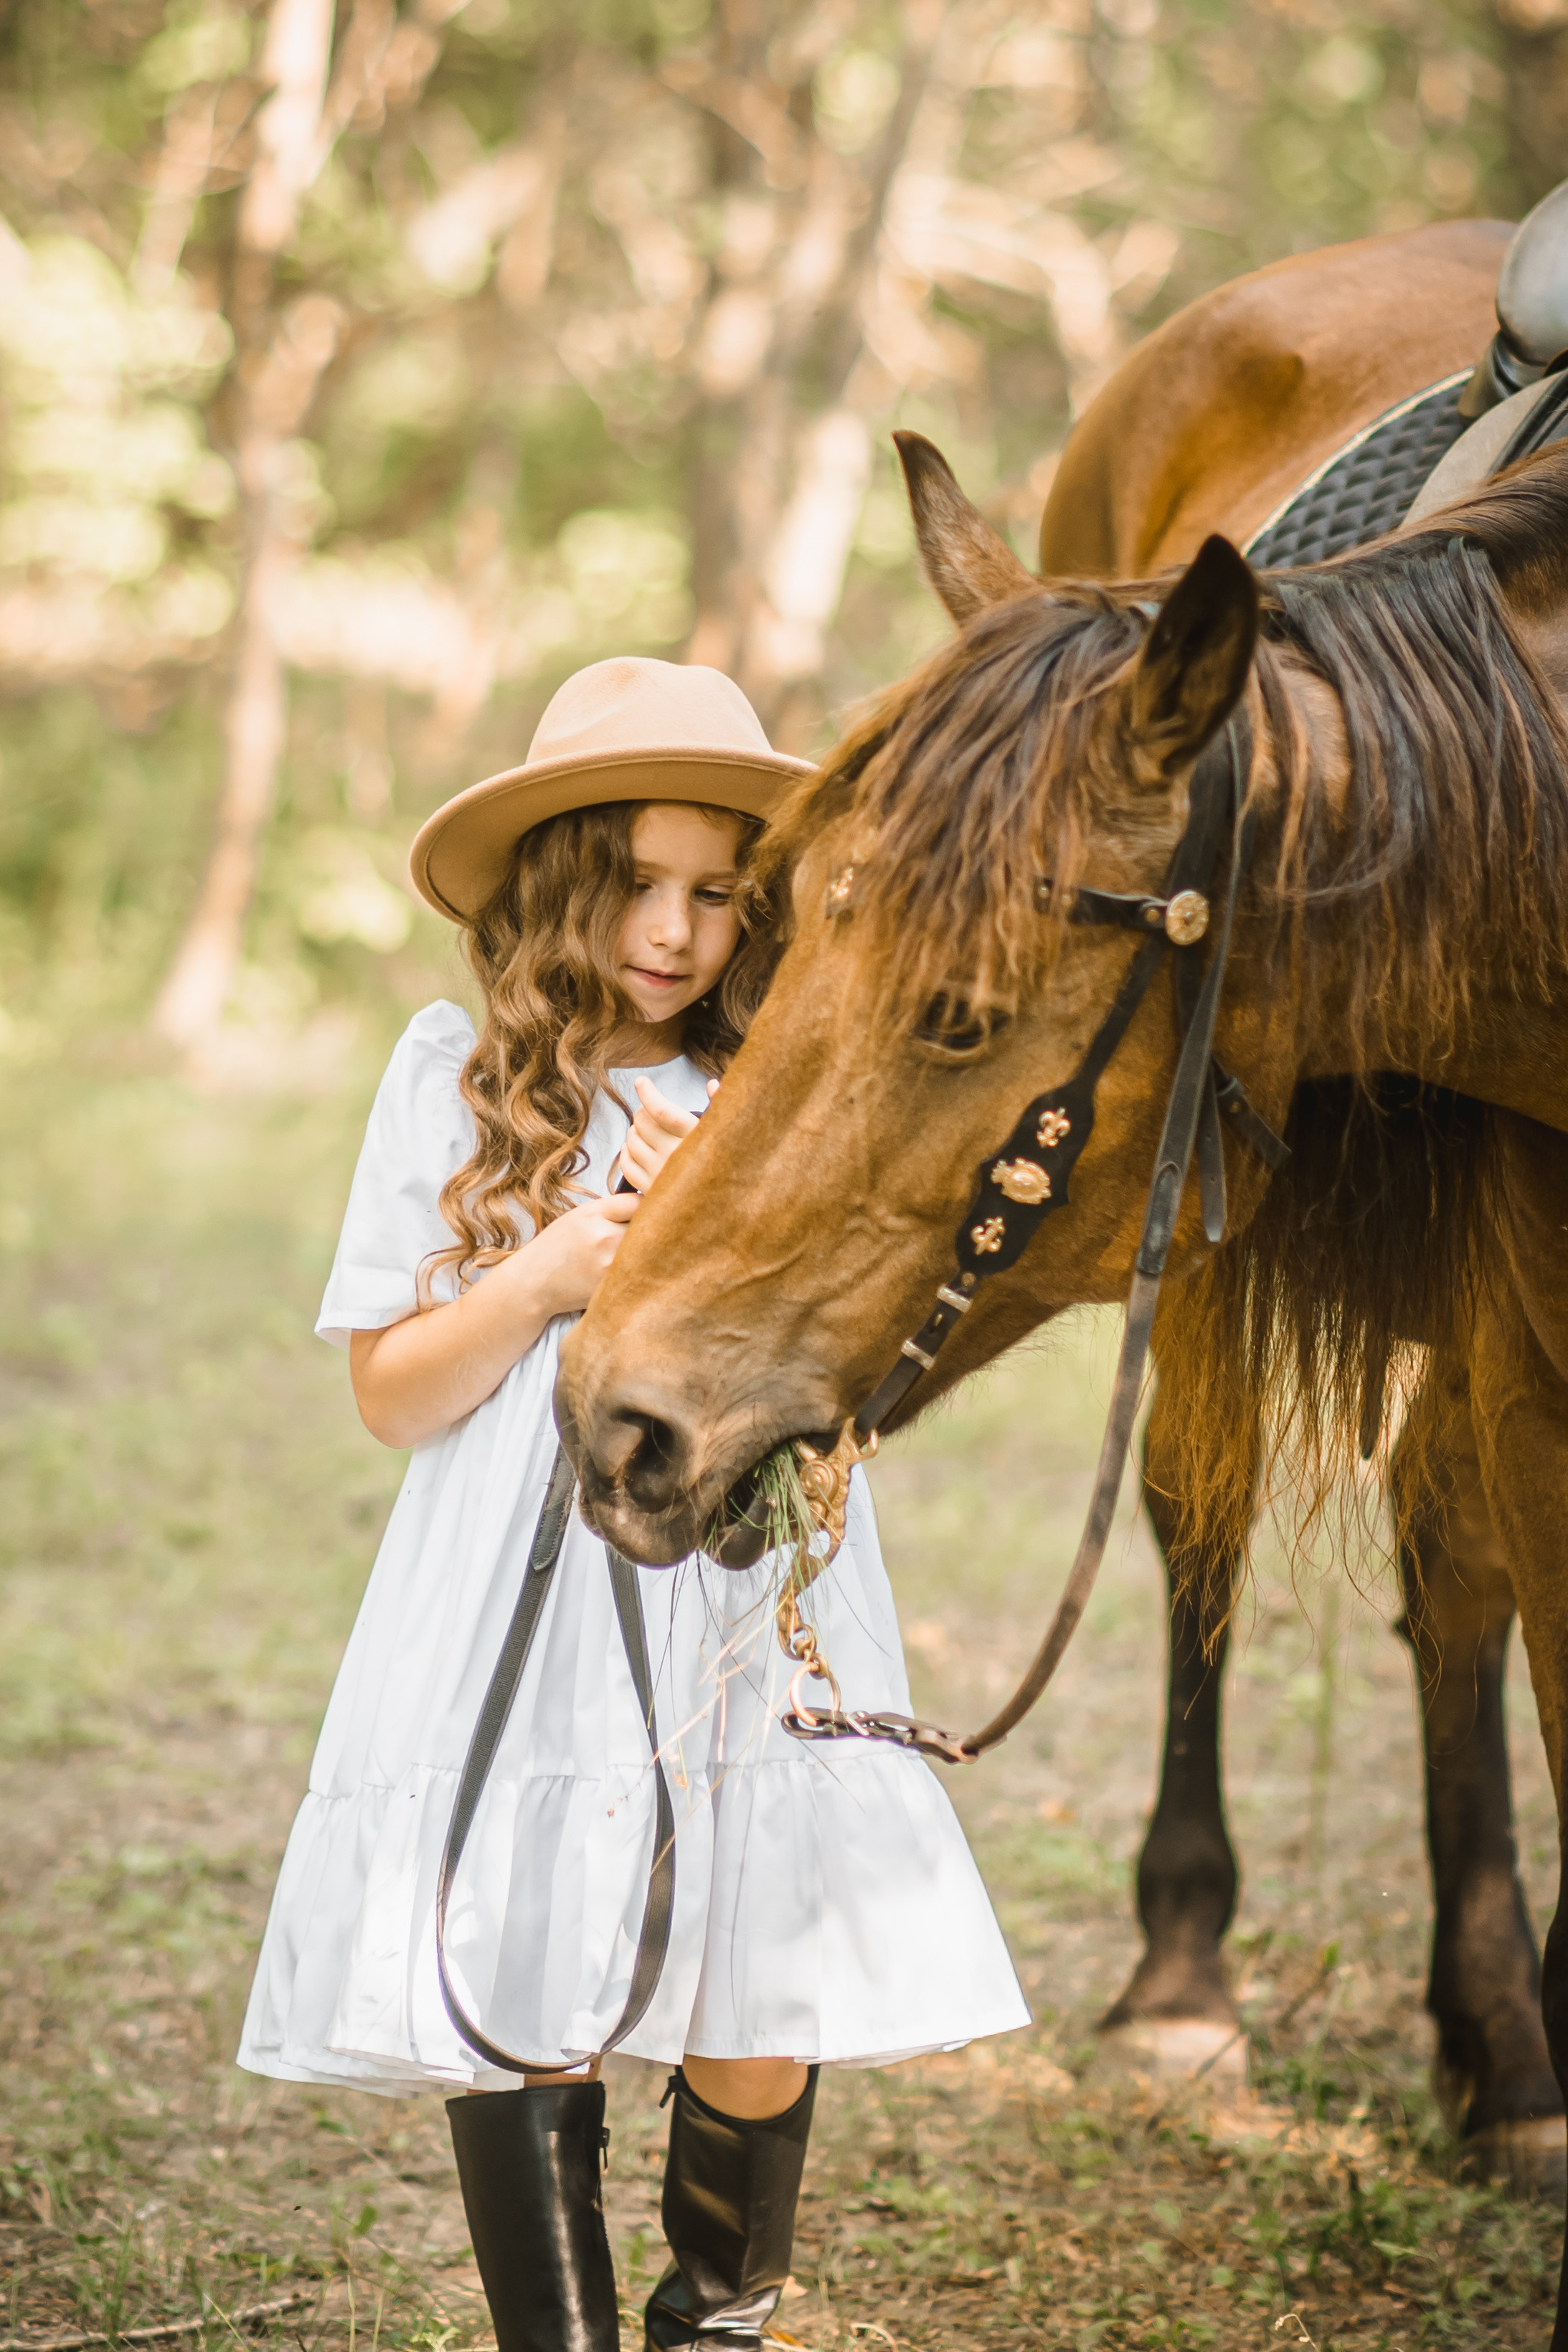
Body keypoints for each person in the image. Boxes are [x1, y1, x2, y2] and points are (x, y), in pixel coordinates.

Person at [237, 656, 1028, 2352]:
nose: (672, 931)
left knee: (759, 1984)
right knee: (527, 1963)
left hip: (730, 1589)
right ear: (556, 888)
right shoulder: (454, 1076)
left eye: (715, 893)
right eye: (635, 885)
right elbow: (391, 1394)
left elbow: (854, 1360)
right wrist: (546, 1274)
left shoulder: (779, 1089)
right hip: (514, 1598)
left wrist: (728, 1237)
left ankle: (715, 2320)